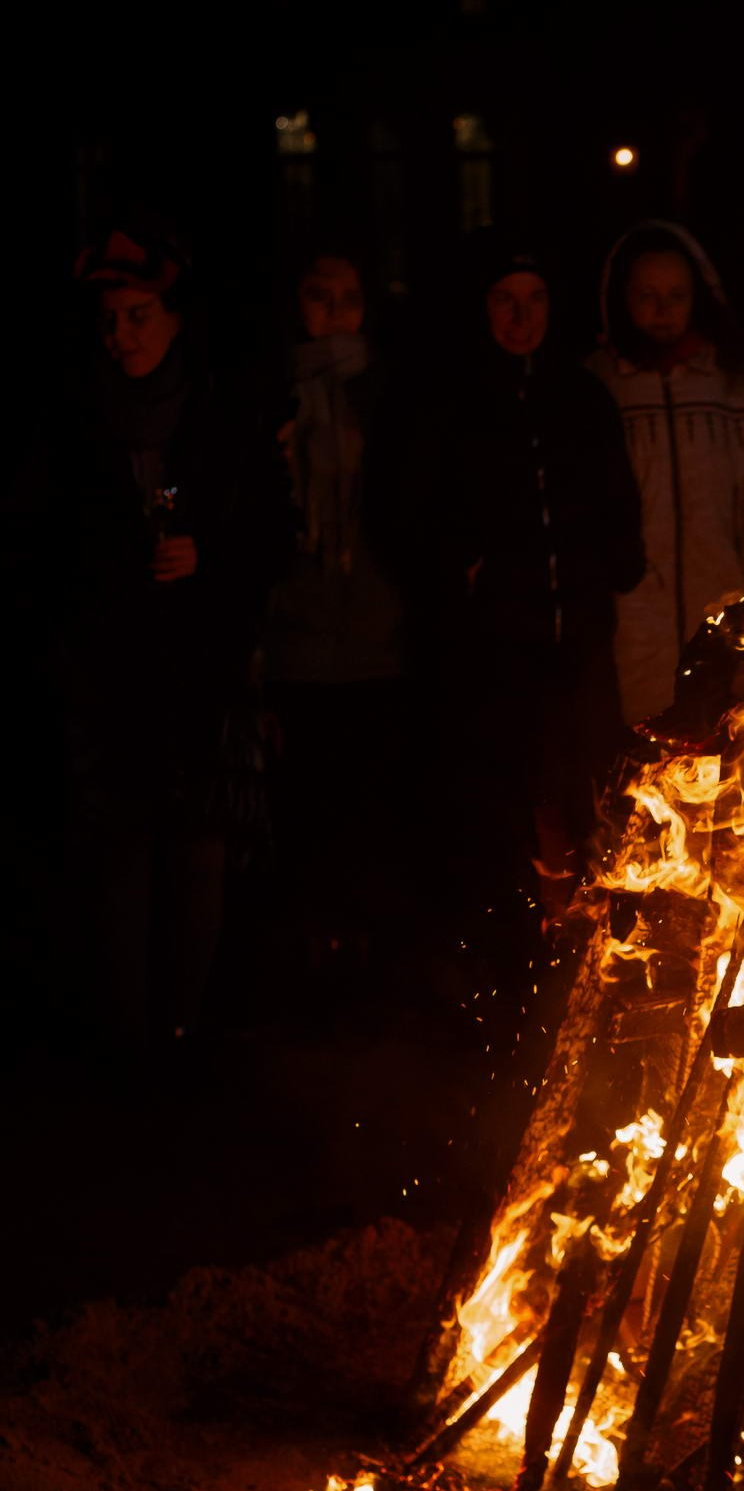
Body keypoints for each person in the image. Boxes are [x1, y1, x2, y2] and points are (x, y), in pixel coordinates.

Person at [40, 222, 283, 1049]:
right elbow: (48, 547)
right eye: (111, 320)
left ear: (174, 318)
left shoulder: (224, 415)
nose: (123, 335)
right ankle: (129, 1045)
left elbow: (270, 532)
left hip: (201, 675)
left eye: (139, 315)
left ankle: (186, 1033)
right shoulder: (76, 424)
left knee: (198, 854)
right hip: (108, 681)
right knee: (119, 862)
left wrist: (208, 557)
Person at [440, 237, 646, 912]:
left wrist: (620, 559)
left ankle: (603, 924)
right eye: (505, 300)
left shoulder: (581, 395)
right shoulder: (458, 401)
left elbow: (617, 493)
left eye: (535, 300)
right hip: (501, 638)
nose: (521, 317)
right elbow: (422, 505)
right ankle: (531, 930)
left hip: (583, 629)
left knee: (598, 785)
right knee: (521, 793)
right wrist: (459, 572)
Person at [262, 248, 407, 973]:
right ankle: (311, 956)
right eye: (320, 296)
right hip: (299, 634)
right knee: (306, 809)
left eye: (349, 298)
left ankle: (371, 961)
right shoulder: (273, 393)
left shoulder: (386, 393)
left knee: (371, 806)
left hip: (378, 633)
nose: (335, 313)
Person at [590, 222, 744, 725]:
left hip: (719, 609)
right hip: (630, 625)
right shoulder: (598, 386)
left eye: (677, 295)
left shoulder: (729, 385)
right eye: (647, 296)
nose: (663, 309)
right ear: (622, 298)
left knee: (721, 742)